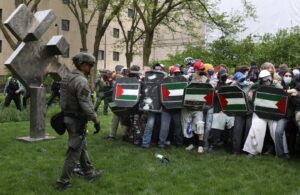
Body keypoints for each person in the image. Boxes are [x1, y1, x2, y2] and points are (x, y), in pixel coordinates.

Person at [56, 52, 101, 190]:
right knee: (74, 151)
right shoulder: (81, 81)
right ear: (83, 65)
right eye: (90, 65)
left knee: (82, 146)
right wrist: (95, 120)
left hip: (68, 118)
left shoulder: (67, 77)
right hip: (76, 120)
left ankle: (89, 172)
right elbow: (85, 104)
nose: (91, 68)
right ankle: (63, 181)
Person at [243, 69, 284, 156]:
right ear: (260, 79)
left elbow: (282, 96)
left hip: (273, 112)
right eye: (263, 78)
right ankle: (252, 151)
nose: (266, 80)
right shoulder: (256, 85)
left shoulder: (276, 85)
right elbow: (249, 97)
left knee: (276, 130)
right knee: (256, 128)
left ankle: (282, 152)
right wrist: (250, 95)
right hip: (259, 111)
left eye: (267, 78)